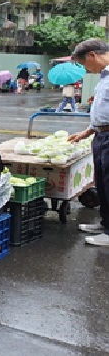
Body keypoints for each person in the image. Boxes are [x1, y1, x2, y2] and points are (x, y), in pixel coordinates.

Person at [67, 38, 109, 247]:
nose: (86, 69)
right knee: (102, 182)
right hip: (101, 136)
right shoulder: (104, 77)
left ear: (92, 55)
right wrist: (87, 132)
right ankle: (105, 223)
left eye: (85, 64)